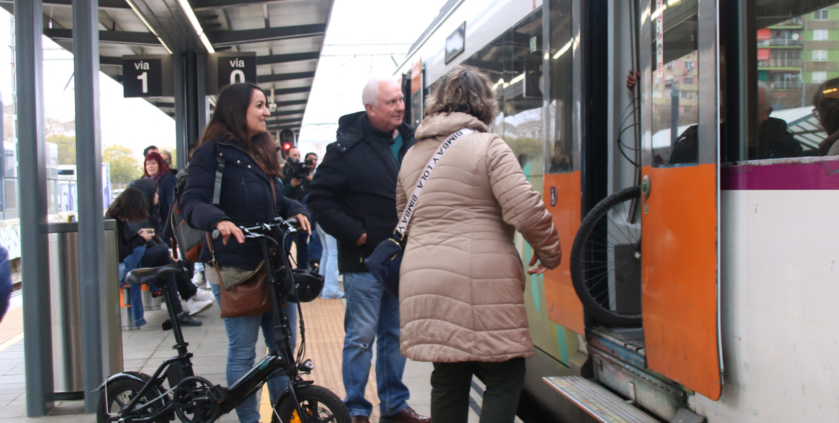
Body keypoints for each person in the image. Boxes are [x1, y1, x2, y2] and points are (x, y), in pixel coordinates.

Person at [397, 67, 560, 423]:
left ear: (438, 102)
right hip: (481, 281)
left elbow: (403, 218)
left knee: (448, 376)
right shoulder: (488, 146)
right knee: (505, 373)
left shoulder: (411, 156)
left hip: (426, 280)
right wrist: (550, 251)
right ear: (485, 105)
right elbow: (525, 207)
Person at [180, 82, 312, 423]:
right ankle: (249, 420)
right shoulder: (211, 153)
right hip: (236, 268)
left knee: (283, 351)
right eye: (260, 105)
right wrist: (219, 219)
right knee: (243, 351)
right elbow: (191, 203)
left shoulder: (264, 149)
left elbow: (277, 200)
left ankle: (287, 416)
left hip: (274, 266)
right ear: (238, 110)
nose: (267, 112)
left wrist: (297, 209)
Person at [307, 78, 427, 423]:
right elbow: (318, 198)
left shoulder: (414, 142)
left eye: (401, 99)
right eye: (391, 102)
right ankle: (356, 408)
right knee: (360, 336)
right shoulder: (345, 148)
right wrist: (355, 233)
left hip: (403, 258)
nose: (400, 107)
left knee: (395, 335)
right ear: (370, 108)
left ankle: (395, 406)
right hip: (364, 261)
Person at [109, 187, 212, 326]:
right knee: (164, 255)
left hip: (130, 261)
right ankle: (188, 297)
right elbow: (120, 253)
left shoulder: (119, 221)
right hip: (123, 266)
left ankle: (183, 306)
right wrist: (140, 239)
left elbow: (124, 246)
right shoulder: (113, 223)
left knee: (167, 262)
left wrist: (138, 236)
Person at [753, 81, 803, 159]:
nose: (745, 110)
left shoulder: (785, 147)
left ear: (767, 113)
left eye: (754, 106)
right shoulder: (727, 139)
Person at [144, 151, 177, 245]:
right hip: (150, 225)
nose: (150, 166)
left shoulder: (167, 179)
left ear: (160, 164)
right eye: (147, 164)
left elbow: (172, 203)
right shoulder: (145, 181)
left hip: (164, 225)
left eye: (153, 163)